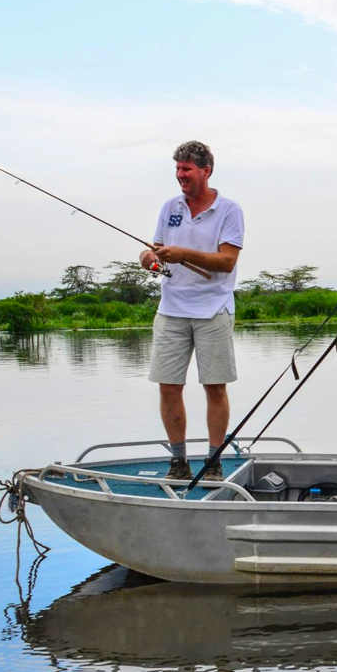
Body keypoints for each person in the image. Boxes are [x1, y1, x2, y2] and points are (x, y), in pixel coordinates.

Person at [139, 141, 244, 481]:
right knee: (168, 386)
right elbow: (156, 252)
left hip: (214, 309)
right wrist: (150, 259)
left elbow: (227, 262)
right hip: (171, 309)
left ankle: (213, 462)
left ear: (206, 171)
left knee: (215, 386)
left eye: (186, 169)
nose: (180, 175)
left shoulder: (229, 210)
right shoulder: (170, 207)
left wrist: (183, 253)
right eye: (178, 169)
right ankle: (178, 462)